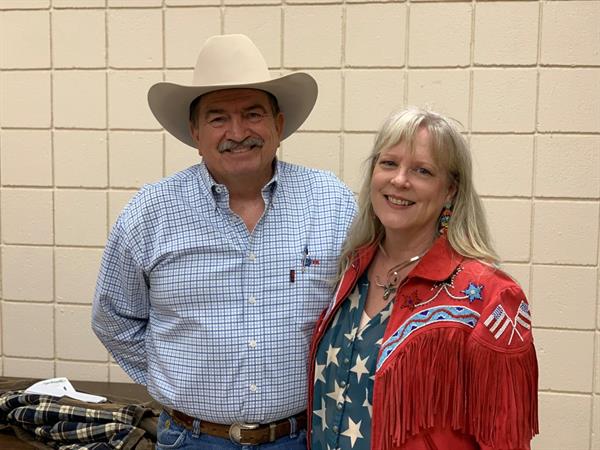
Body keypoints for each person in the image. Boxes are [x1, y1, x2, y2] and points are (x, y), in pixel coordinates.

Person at [92, 34, 356, 449]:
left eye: (253, 114)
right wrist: (175, 375)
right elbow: (113, 318)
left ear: (279, 125)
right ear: (195, 132)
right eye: (218, 118)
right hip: (191, 439)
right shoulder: (150, 212)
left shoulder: (333, 202)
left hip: (303, 437)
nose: (238, 132)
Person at [308, 107, 538, 450]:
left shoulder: (490, 297)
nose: (400, 180)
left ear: (450, 191)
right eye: (388, 163)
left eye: (422, 170)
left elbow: (505, 439)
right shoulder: (350, 270)